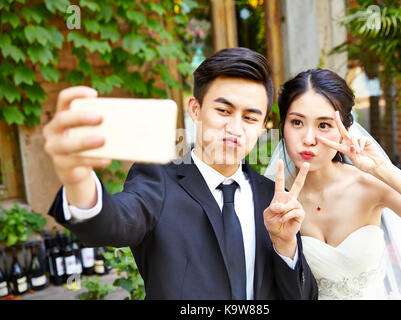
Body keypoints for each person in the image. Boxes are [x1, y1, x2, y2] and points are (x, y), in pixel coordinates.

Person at [44, 47, 318, 300]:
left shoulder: (272, 198)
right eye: (223, 111)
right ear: (195, 110)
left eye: (249, 118)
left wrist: (285, 245)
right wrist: (78, 180)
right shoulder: (157, 182)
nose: (235, 128)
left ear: (261, 126)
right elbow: (111, 223)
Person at [265, 68, 401, 300]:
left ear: (344, 132)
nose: (309, 139)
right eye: (297, 122)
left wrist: (383, 170)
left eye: (324, 125)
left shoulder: (369, 186)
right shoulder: (271, 199)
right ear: (283, 126)